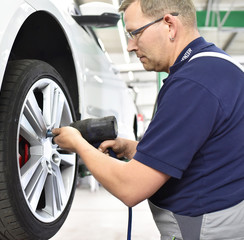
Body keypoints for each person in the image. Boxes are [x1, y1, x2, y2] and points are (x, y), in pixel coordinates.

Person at [53, 0, 244, 239]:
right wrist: (136, 149)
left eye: (135, 33)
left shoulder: (192, 84)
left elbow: (130, 188)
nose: (131, 46)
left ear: (169, 25)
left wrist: (78, 144)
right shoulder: (217, 67)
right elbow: (204, 152)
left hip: (202, 230)